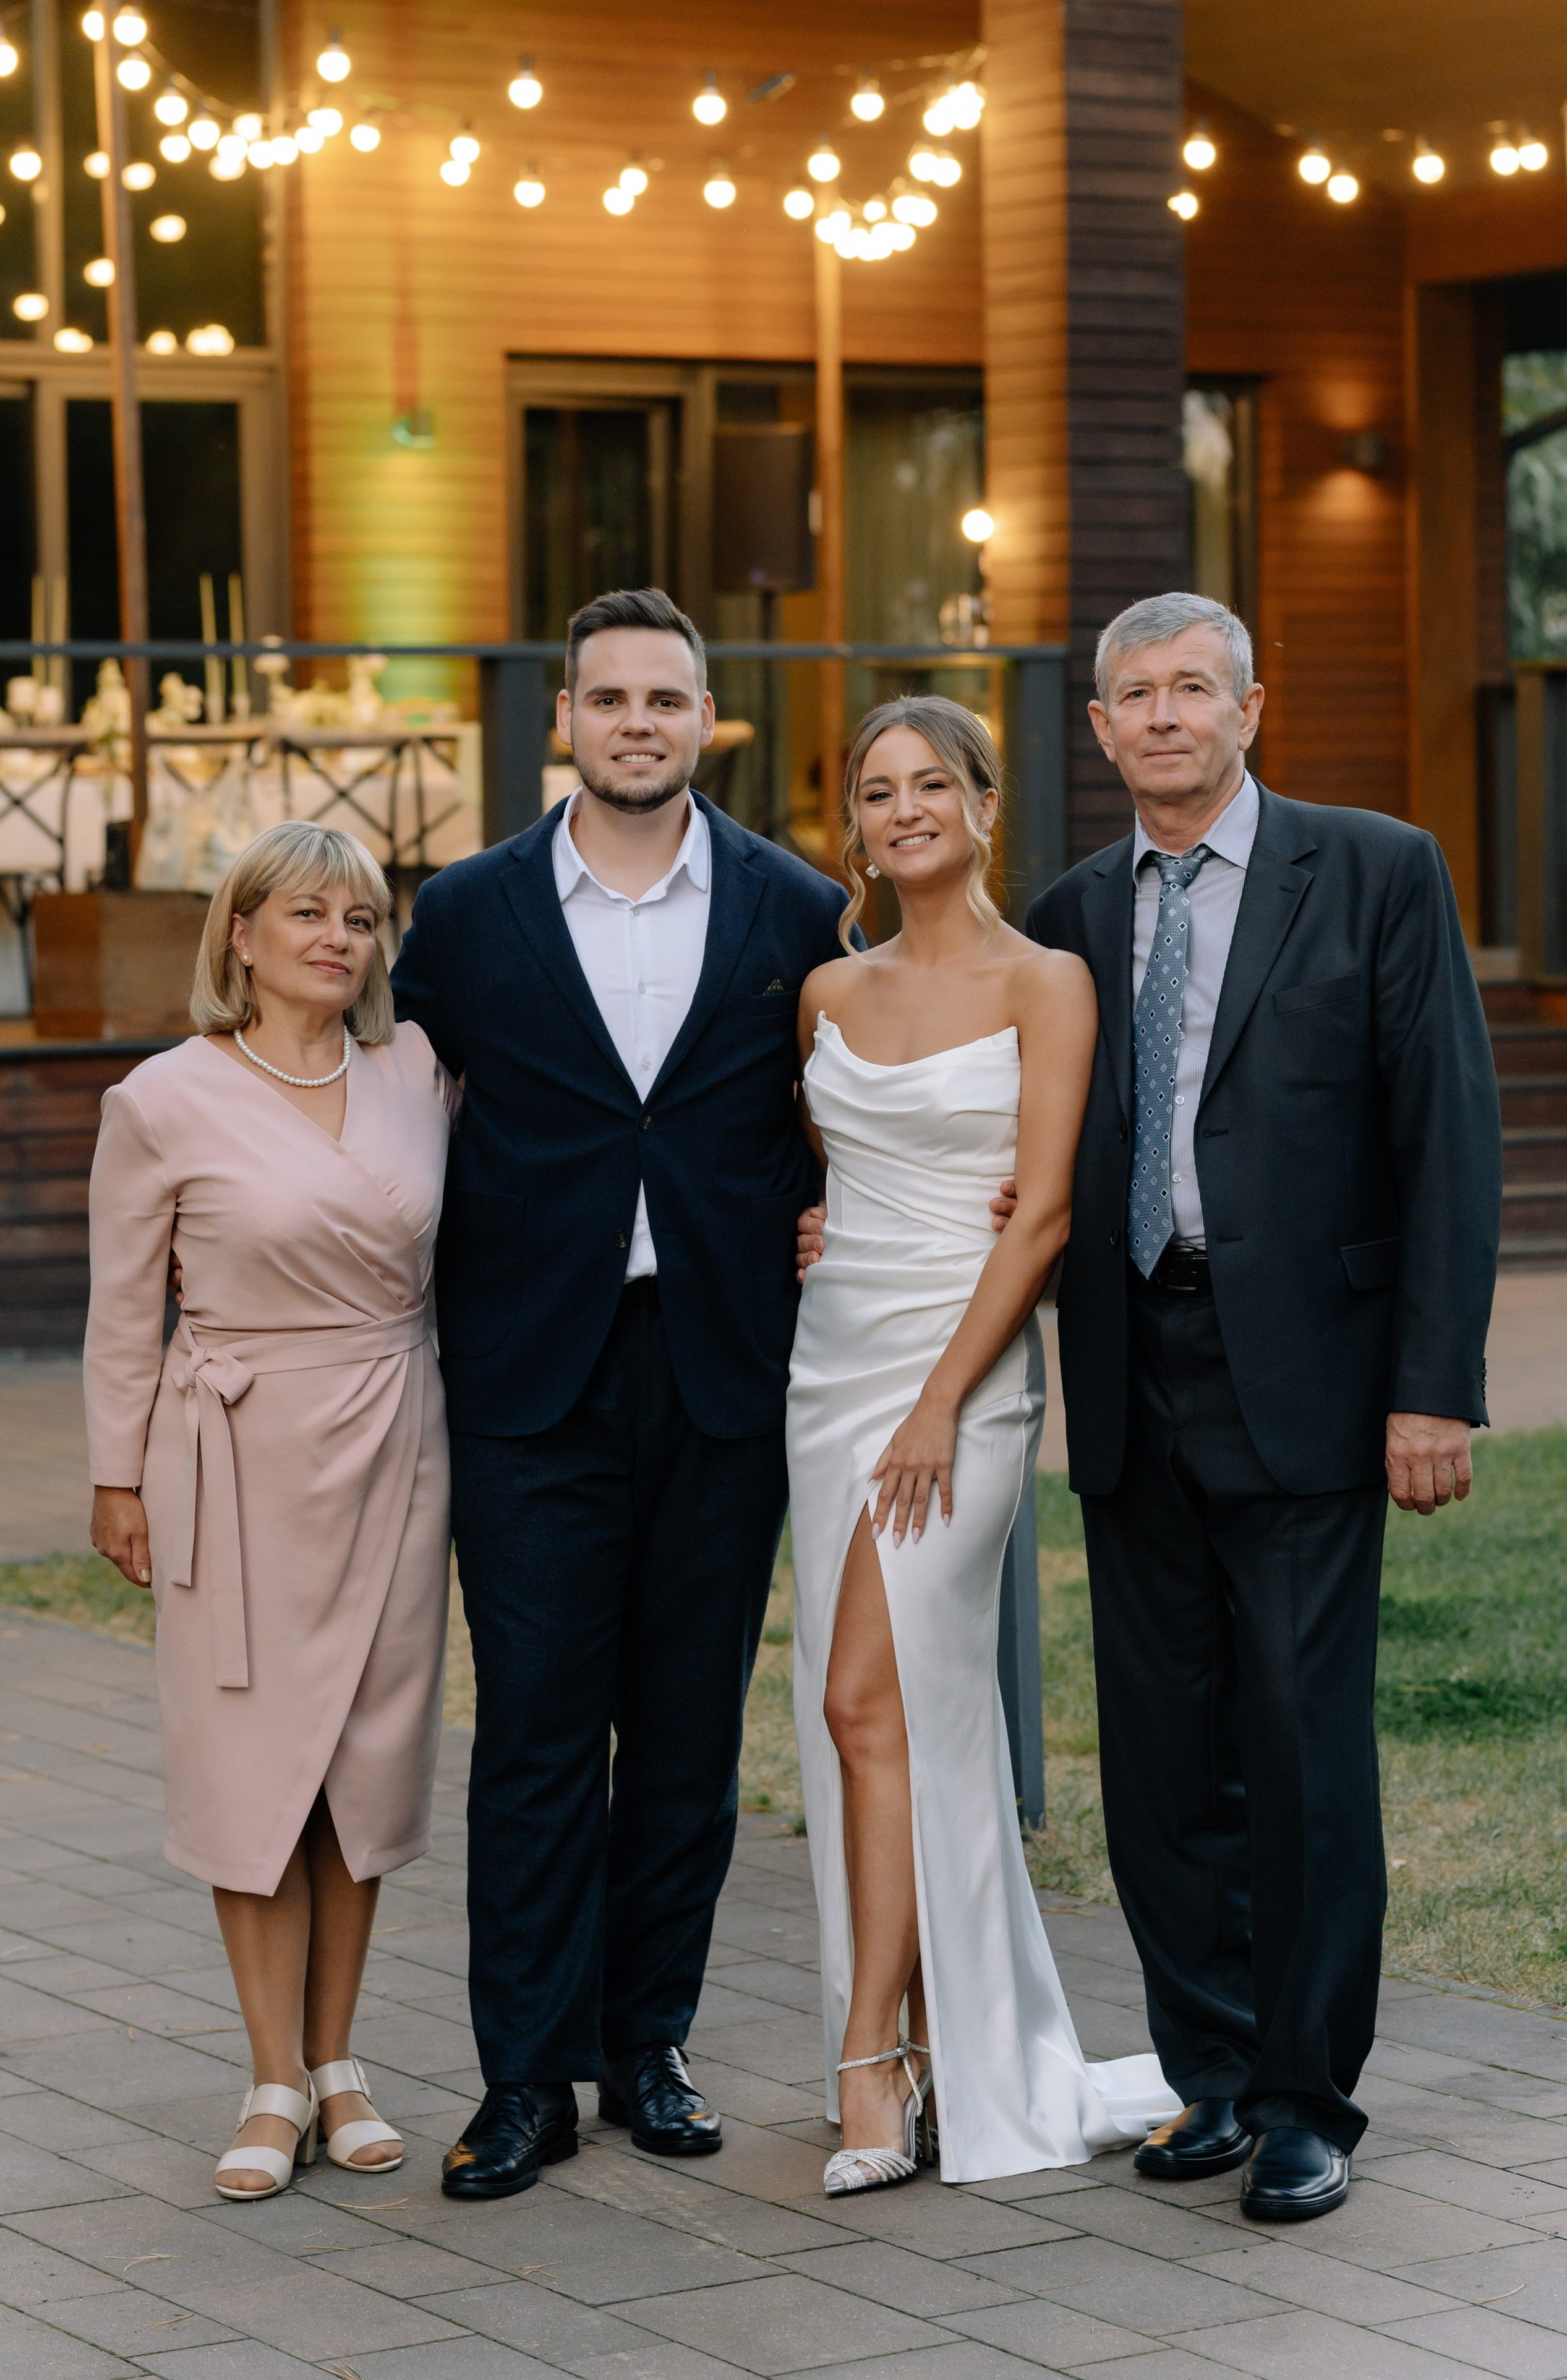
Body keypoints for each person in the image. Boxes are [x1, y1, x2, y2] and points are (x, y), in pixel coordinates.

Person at [1023, 591, 1503, 2220]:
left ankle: (1308, 2097)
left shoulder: (1376, 869)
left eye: (1192, 690)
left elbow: (1449, 1135)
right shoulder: (1067, 915)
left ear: (1250, 708)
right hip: (1130, 1371)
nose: (1163, 717)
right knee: (1161, 1755)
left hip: (1312, 1374)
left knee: (1300, 1746)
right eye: (1133, 696)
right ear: (1098, 729)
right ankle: (1211, 2071)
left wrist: (1434, 1386)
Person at [391, 586, 850, 2199]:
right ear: (564, 721)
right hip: (529, 1380)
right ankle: (527, 2077)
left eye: (668, 700)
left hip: (721, 1372)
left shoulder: (799, 911)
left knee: (682, 1737)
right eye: (609, 701)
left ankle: (647, 2042)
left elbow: (837, 1108)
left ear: (707, 719)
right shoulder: (465, 914)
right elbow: (392, 1110)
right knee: (530, 1735)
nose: (637, 725)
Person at [788, 694, 1179, 2193]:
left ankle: (870, 2055)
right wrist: (824, 1238)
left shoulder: (1049, 982)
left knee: (859, 1689)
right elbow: (836, 1182)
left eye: (928, 783)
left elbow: (1042, 1212)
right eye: (875, 789)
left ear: (981, 805)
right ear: (861, 827)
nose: (902, 810)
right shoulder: (824, 992)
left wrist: (943, 1395)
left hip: (963, 1378)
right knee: (878, 1717)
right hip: (828, 1376)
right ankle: (929, 2043)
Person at [85, 821, 458, 2202]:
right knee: (256, 1764)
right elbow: (126, 1305)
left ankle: (342, 2058)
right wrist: (116, 1474)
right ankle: (271, 2078)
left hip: (394, 1440)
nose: (335, 940)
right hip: (235, 1458)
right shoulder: (163, 1097)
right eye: (304, 914)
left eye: (358, 920)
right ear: (238, 934)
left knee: (361, 1757)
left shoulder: (415, 1072)